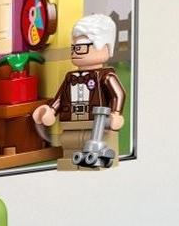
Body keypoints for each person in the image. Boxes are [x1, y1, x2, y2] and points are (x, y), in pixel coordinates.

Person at [33, 13, 126, 169]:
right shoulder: (70, 77)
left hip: (97, 124)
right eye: (74, 48)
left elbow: (119, 94)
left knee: (97, 147)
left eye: (81, 47)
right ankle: (72, 164)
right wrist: (51, 111)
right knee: (70, 145)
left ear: (105, 47)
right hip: (71, 123)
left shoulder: (106, 76)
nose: (76, 52)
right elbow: (61, 97)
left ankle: (98, 161)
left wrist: (116, 113)